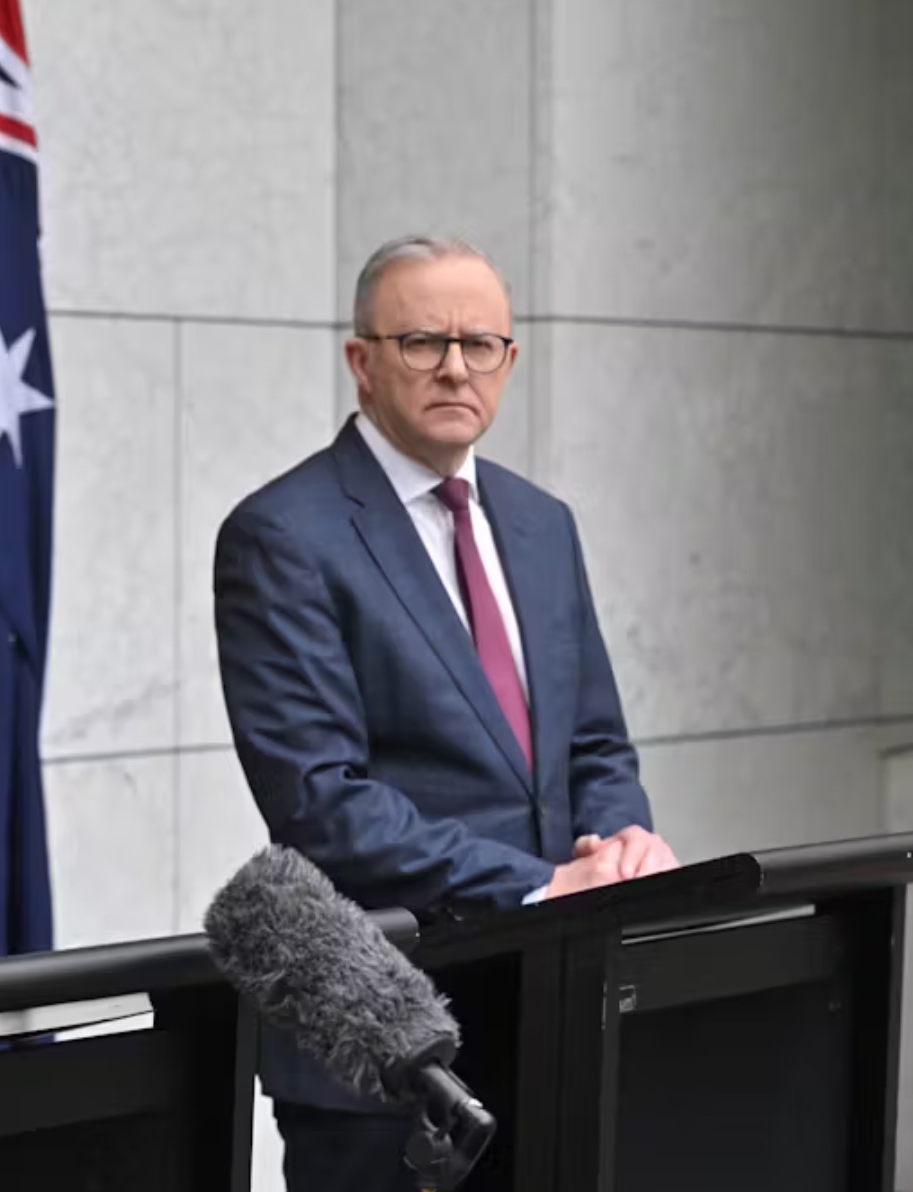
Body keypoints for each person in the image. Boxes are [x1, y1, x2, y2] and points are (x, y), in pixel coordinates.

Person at [212, 235, 679, 1191]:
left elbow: (593, 742)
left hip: (558, 1022)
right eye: (423, 340)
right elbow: (320, 802)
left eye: (482, 343)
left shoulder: (543, 523)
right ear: (362, 362)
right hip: (389, 1052)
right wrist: (545, 886)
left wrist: (622, 841)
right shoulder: (281, 535)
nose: (456, 366)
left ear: (511, 360)